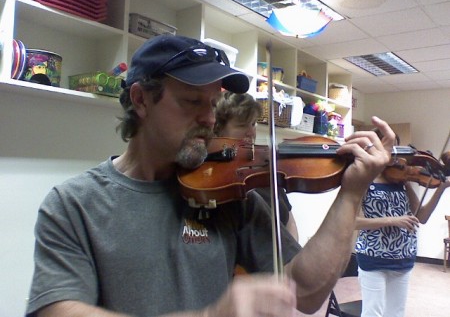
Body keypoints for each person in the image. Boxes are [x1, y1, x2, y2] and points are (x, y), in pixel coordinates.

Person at [26, 34, 396, 317]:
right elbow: (58, 310)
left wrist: (351, 194)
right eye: (191, 101)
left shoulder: (229, 195)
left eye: (213, 104)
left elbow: (308, 291)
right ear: (140, 100)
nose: (209, 118)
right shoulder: (74, 203)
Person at [355, 130, 450, 317]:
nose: (393, 152)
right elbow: (352, 221)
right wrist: (392, 220)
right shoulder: (362, 180)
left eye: (394, 146)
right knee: (372, 312)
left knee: (396, 313)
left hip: (403, 257)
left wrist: (441, 188)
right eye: (386, 145)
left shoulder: (402, 180)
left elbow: (421, 217)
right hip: (372, 256)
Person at [213, 90, 298, 241]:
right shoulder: (214, 177)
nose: (251, 132)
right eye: (242, 125)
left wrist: (292, 255)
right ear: (218, 128)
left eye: (253, 124)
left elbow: (289, 221)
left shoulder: (265, 170)